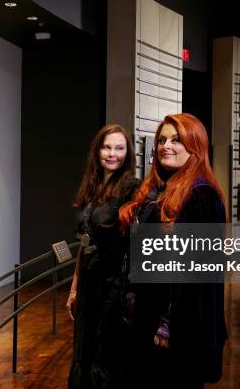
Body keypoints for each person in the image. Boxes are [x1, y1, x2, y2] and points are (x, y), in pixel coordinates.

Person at [119, 113, 228, 389]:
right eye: (162, 140)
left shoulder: (202, 196)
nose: (165, 146)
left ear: (195, 146)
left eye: (177, 140)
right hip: (146, 316)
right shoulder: (158, 189)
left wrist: (168, 323)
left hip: (176, 329)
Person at [67, 125, 139, 389]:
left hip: (112, 285)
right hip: (89, 284)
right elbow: (83, 244)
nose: (112, 154)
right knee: (83, 351)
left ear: (127, 153)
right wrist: (74, 288)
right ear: (97, 150)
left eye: (119, 148)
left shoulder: (131, 188)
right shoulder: (92, 185)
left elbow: (136, 244)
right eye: (107, 147)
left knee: (104, 355)